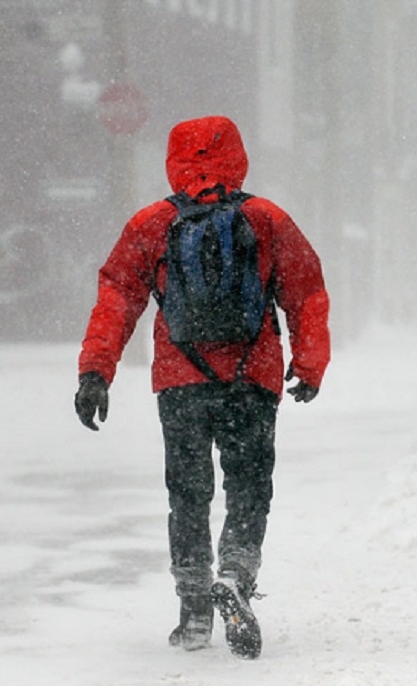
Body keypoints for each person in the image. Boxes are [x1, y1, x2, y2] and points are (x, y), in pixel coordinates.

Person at [74, 115, 330, 659]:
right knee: (248, 486)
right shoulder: (267, 219)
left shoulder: (152, 224)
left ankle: (192, 607)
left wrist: (96, 371)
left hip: (180, 380)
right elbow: (306, 291)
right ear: (238, 157)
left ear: (173, 161)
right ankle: (236, 573)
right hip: (252, 376)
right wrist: (308, 363)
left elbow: (117, 297)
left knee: (188, 493)